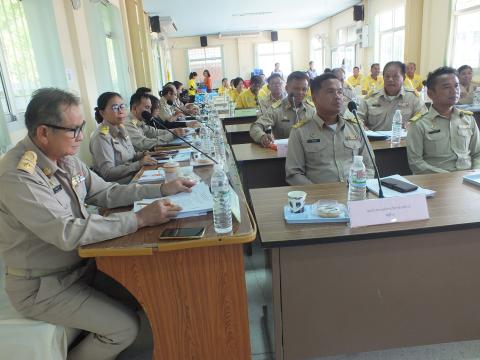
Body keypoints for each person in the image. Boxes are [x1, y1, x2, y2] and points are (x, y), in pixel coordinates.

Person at [0, 87, 196, 360]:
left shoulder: (65, 159)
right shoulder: (17, 175)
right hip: (44, 287)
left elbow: (107, 192)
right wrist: (138, 219)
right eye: (73, 130)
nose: (81, 137)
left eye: (81, 127)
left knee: (148, 289)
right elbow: (65, 232)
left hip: (82, 268)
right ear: (44, 132)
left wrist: (162, 189)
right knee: (124, 328)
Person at [285, 73, 375, 185]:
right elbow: (294, 174)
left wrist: (360, 186)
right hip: (320, 199)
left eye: (340, 92)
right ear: (314, 98)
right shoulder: (300, 132)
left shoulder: (355, 127)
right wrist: (320, 194)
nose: (337, 96)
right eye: (330, 92)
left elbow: (369, 165)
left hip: (356, 193)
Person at [407, 66, 480, 174]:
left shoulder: (468, 119)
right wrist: (448, 178)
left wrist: (475, 173)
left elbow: (478, 153)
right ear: (430, 93)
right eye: (447, 87)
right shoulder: (419, 124)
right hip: (435, 181)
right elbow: (416, 163)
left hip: (468, 180)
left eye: (456, 86)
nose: (454, 91)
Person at [90, 92, 157, 184]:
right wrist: (139, 164)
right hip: (121, 186)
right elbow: (108, 173)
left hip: (136, 177)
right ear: (102, 113)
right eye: (115, 108)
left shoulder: (121, 128)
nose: (121, 111)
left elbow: (131, 156)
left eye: (122, 106)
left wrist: (145, 154)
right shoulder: (101, 137)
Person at [250, 71, 315, 147]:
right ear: (287, 88)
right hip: (284, 153)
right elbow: (255, 126)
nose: (300, 92)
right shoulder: (276, 109)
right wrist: (262, 136)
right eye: (296, 89)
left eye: (304, 89)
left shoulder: (312, 109)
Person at [357, 61, 427, 131]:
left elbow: (424, 117)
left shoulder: (413, 97)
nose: (390, 79)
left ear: (404, 78)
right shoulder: (371, 97)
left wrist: (413, 123)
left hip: (403, 140)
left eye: (395, 76)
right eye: (387, 76)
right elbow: (357, 118)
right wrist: (360, 125)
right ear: (383, 78)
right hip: (373, 140)